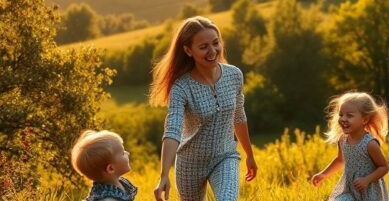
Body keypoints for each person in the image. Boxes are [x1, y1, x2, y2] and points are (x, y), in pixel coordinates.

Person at [151, 16, 257, 201]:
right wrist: (163, 174)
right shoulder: (181, 87)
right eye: (203, 47)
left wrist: (249, 154)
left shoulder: (234, 75)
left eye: (216, 43)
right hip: (190, 163)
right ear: (188, 50)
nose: (212, 51)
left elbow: (238, 116)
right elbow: (173, 130)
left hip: (225, 156)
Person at [311, 92, 389, 201]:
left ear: (365, 119)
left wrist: (367, 180)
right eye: (341, 114)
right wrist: (323, 174)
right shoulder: (342, 140)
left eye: (349, 115)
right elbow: (340, 160)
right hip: (349, 189)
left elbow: (384, 167)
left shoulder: (369, 144)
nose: (343, 118)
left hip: (369, 191)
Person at [71, 130, 137, 201]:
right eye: (122, 153)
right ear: (111, 168)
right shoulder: (108, 198)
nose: (128, 153)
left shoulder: (120, 185)